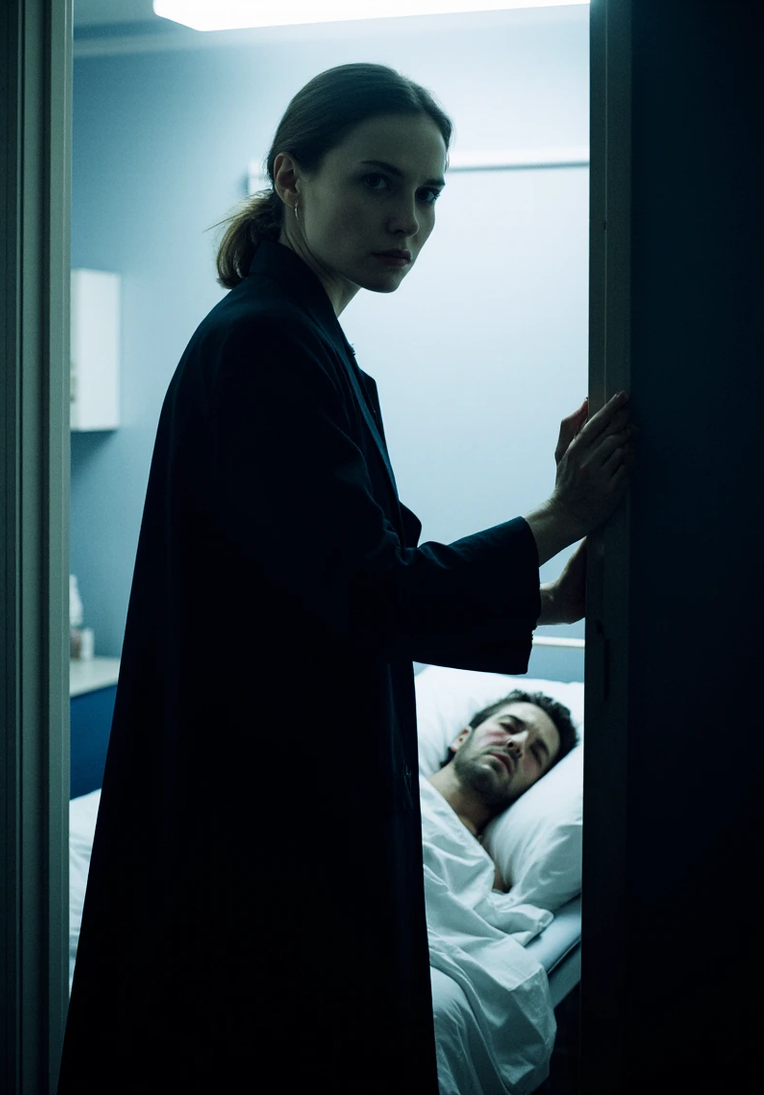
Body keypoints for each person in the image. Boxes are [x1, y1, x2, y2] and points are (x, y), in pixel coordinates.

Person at [57, 62, 635, 1094]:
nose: (406, 219)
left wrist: (545, 597)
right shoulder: (266, 345)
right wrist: (560, 516)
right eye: (376, 182)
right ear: (290, 178)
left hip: (278, 805)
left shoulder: (298, 339)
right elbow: (370, 589)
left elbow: (334, 588)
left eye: (427, 193)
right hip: (269, 822)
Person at [428, 692, 578, 891]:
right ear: (462, 737)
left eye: (535, 753)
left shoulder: (484, 880)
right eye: (508, 727)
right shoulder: (387, 785)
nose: (518, 744)